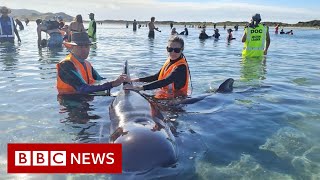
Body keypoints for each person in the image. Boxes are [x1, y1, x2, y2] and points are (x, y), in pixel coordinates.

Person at [56, 32, 128, 94]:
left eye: (87, 46)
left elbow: (100, 80)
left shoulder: (87, 64)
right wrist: (112, 84)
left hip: (86, 99)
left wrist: (122, 80)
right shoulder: (66, 64)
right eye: (80, 47)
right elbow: (82, 88)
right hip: (70, 102)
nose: (84, 50)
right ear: (71, 48)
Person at [125, 36, 190, 99]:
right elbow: (156, 77)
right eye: (170, 49)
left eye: (176, 50)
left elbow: (166, 81)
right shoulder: (170, 61)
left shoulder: (181, 67)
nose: (172, 52)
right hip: (165, 95)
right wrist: (136, 80)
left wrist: (140, 87)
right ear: (167, 49)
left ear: (182, 50)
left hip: (176, 100)